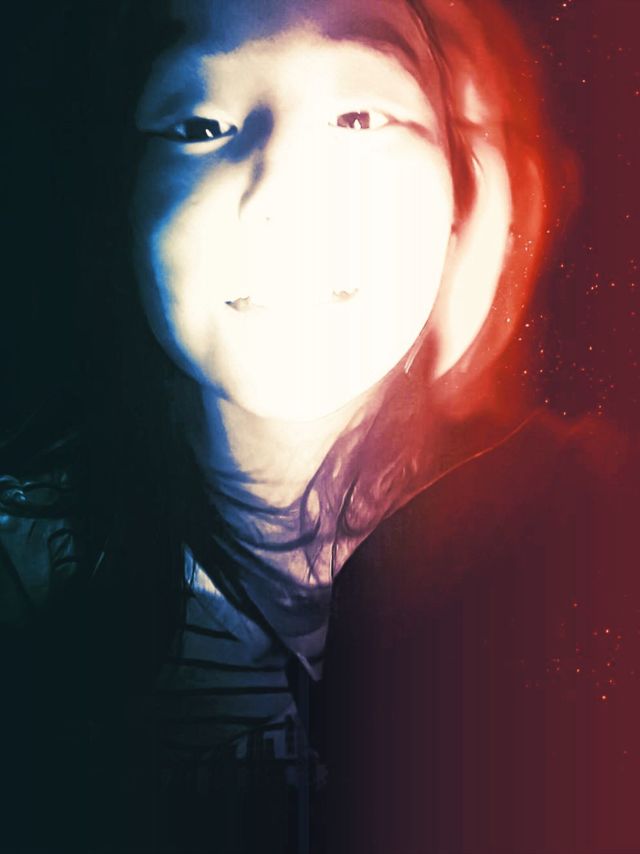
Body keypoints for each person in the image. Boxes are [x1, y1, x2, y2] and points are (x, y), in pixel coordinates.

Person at [0, 1, 587, 852]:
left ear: (469, 190)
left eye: (359, 116)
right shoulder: (27, 563)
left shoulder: (578, 554)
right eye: (199, 126)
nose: (282, 191)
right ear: (116, 204)